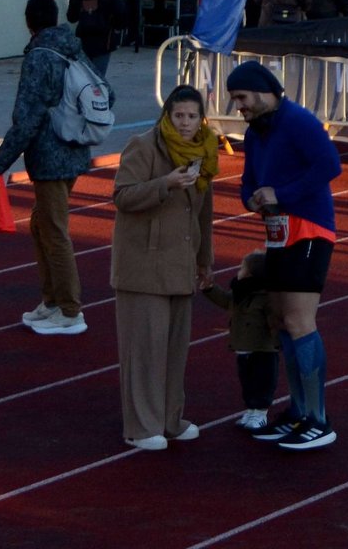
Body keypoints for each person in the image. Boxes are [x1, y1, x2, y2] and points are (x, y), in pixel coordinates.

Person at [229, 60, 343, 451]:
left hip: (310, 229)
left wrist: (282, 194)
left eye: (241, 97)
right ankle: (297, 411)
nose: (238, 106)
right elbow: (247, 181)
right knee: (279, 319)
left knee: (298, 320)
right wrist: (252, 199)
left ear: (263, 91)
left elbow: (330, 164)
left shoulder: (297, 120)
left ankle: (318, 417)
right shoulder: (256, 132)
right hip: (278, 233)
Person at [0, 0, 105, 336]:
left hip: (51, 156)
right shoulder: (73, 48)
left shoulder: (39, 57)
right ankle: (52, 301)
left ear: (29, 23)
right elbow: (104, 92)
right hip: (75, 149)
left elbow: (27, 118)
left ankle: (70, 309)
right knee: (41, 224)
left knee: (53, 230)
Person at [111, 84, 216, 451]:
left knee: (174, 350)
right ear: (166, 116)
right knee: (145, 351)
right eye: (179, 116)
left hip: (181, 264)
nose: (185, 123)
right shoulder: (143, 146)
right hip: (143, 266)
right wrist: (165, 184)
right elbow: (122, 196)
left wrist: (205, 260)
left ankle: (170, 419)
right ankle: (141, 427)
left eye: (192, 116)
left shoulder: (204, 150)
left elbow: (204, 211)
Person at [201, 248, 280, 431]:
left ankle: (260, 413)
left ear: (252, 274)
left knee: (263, 382)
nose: (238, 271)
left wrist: (277, 338)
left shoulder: (266, 297)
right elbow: (225, 300)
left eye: (242, 268)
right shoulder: (240, 292)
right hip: (243, 347)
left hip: (263, 350)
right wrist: (209, 289)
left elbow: (274, 320)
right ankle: (251, 409)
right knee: (247, 382)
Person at [66, 0, 126, 78]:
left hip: (83, 39)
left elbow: (71, 17)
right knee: (98, 79)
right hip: (104, 40)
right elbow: (121, 15)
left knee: (83, 79)